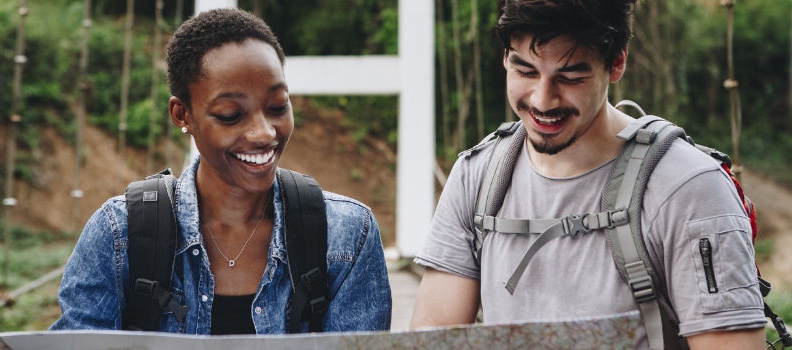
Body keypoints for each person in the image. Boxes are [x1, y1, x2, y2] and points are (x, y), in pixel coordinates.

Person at [410, 1, 765, 349]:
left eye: (570, 77)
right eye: (526, 72)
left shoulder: (690, 188)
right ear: (505, 57)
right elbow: (433, 336)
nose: (543, 101)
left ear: (617, 62)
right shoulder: (477, 176)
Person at [50, 8, 391, 334]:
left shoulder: (347, 235)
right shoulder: (118, 234)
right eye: (230, 114)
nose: (264, 133)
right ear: (182, 115)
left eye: (277, 106)